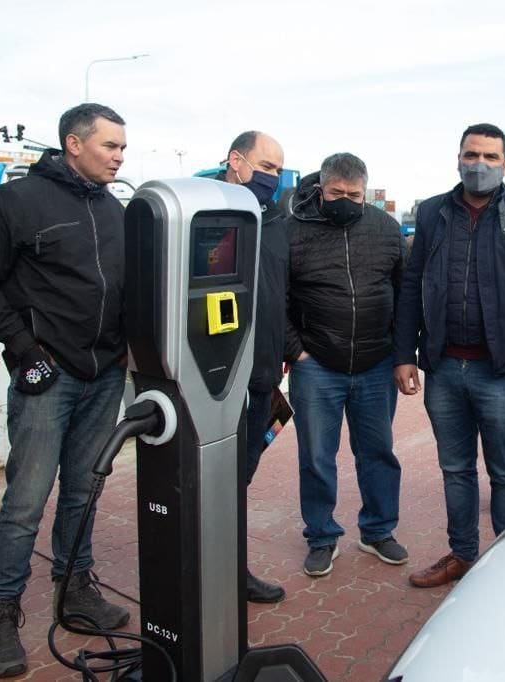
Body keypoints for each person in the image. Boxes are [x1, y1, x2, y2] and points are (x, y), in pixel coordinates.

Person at [0, 103, 130, 679]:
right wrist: (26, 350)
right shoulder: (18, 202)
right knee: (26, 502)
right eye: (110, 146)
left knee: (84, 492)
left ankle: (75, 590)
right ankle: (0, 613)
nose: (119, 156)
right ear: (74, 144)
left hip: (104, 376)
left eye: (123, 147)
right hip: (47, 378)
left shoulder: (115, 209)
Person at [395, 123, 505, 588]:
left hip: (502, 372)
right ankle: (462, 554)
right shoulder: (435, 211)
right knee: (455, 468)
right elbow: (412, 280)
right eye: (471, 155)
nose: (479, 164)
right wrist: (404, 353)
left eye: (489, 157)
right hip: (444, 368)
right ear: (458, 157)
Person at [284, 152, 408, 577]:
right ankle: (321, 536)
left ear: (365, 192)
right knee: (317, 455)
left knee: (378, 452)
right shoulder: (293, 230)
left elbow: (404, 290)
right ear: (322, 188)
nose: (346, 200)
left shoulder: (386, 229)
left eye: (355, 195)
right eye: (337, 193)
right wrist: (294, 349)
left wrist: (402, 352)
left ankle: (378, 530)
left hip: (375, 363)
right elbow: (274, 296)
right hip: (316, 363)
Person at [215, 131, 288, 603]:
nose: (272, 178)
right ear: (236, 161)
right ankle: (201, 571)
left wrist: (288, 348)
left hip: (263, 377)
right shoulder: (204, 213)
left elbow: (286, 290)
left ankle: (230, 570)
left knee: (239, 479)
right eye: (265, 166)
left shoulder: (278, 221)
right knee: (208, 480)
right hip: (214, 380)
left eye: (279, 170)